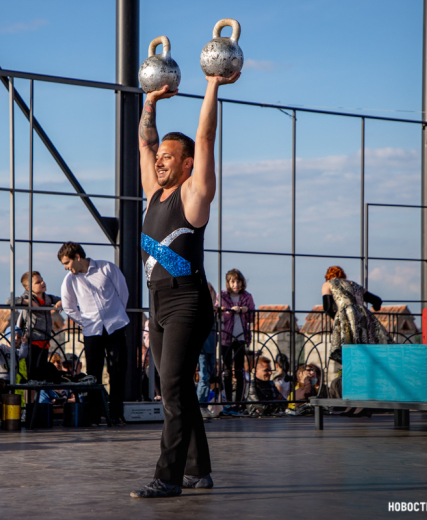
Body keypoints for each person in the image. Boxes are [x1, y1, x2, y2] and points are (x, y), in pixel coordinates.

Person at [131, 70, 240, 499]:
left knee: (173, 389)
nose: (159, 160)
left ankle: (168, 477)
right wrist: (151, 102)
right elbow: (144, 143)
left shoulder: (193, 195)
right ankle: (199, 470)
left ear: (188, 164)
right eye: (159, 156)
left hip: (187, 302)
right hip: (157, 303)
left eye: (169, 156)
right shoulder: (153, 194)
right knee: (174, 392)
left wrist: (211, 86)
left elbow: (206, 137)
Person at [58, 241, 129, 424]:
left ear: (77, 257)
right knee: (93, 374)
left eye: (67, 263)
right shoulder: (70, 281)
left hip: (115, 326)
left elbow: (123, 292)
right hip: (92, 331)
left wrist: (116, 314)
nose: (66, 268)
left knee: (118, 370)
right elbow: (68, 307)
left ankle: (116, 414)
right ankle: (95, 415)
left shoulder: (107, 268)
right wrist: (85, 321)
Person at [322, 266, 391, 365]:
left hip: (346, 316)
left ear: (328, 276)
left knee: (348, 348)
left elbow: (327, 307)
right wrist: (376, 308)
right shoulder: (354, 285)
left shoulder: (328, 284)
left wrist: (337, 319)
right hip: (364, 316)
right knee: (366, 347)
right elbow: (377, 300)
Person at [7, 271, 63, 382]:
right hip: (32, 341)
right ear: (28, 288)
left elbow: (65, 299)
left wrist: (61, 302)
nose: (42, 283)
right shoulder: (27, 297)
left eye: (42, 280)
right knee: (33, 371)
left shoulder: (48, 298)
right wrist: (27, 302)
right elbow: (9, 301)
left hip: (45, 340)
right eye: (38, 282)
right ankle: (32, 389)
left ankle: (41, 389)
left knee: (42, 370)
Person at [218, 269, 256, 408]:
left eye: (238, 281)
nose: (236, 285)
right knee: (227, 370)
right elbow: (217, 313)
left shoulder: (247, 296)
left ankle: (239, 402)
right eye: (233, 281)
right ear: (228, 283)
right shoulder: (222, 296)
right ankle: (228, 402)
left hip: (241, 337)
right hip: (225, 337)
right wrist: (229, 311)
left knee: (239, 370)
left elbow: (252, 318)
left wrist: (246, 310)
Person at [197, 283, 217, 418]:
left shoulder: (213, 310)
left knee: (207, 377)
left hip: (211, 346)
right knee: (204, 376)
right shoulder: (199, 308)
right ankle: (200, 405)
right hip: (202, 347)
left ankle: (202, 405)